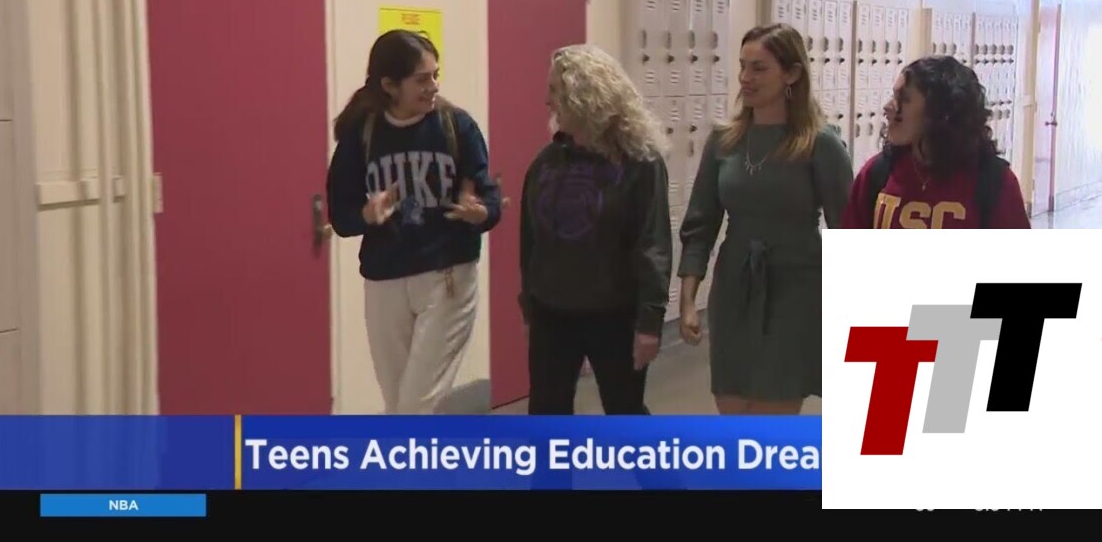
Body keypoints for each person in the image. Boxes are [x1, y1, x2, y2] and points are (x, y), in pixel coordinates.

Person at [677, 23, 853, 415]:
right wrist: (688, 299)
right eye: (742, 66)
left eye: (759, 68)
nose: (745, 78)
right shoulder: (724, 141)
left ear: (791, 74)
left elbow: (848, 228)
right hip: (734, 285)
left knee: (773, 412)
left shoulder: (819, 143)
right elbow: (700, 224)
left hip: (796, 288)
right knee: (732, 405)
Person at [326, 29, 503, 414]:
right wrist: (366, 214)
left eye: (436, 75)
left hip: (447, 274)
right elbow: (340, 216)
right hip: (385, 277)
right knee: (399, 404)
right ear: (390, 85)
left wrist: (481, 212)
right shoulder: (362, 134)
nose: (433, 86)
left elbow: (490, 199)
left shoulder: (457, 126)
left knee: (414, 406)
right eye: (422, 79)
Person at [518, 44, 673, 415]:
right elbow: (531, 241)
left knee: (625, 413)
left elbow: (652, 244)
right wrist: (529, 307)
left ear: (584, 96)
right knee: (546, 415)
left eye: (555, 91)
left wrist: (650, 322)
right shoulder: (547, 162)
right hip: (552, 314)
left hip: (615, 315)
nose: (547, 101)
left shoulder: (640, 163)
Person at [841, 55, 1030, 229]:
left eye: (903, 99)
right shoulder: (877, 173)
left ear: (938, 112)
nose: (888, 107)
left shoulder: (994, 182)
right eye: (893, 96)